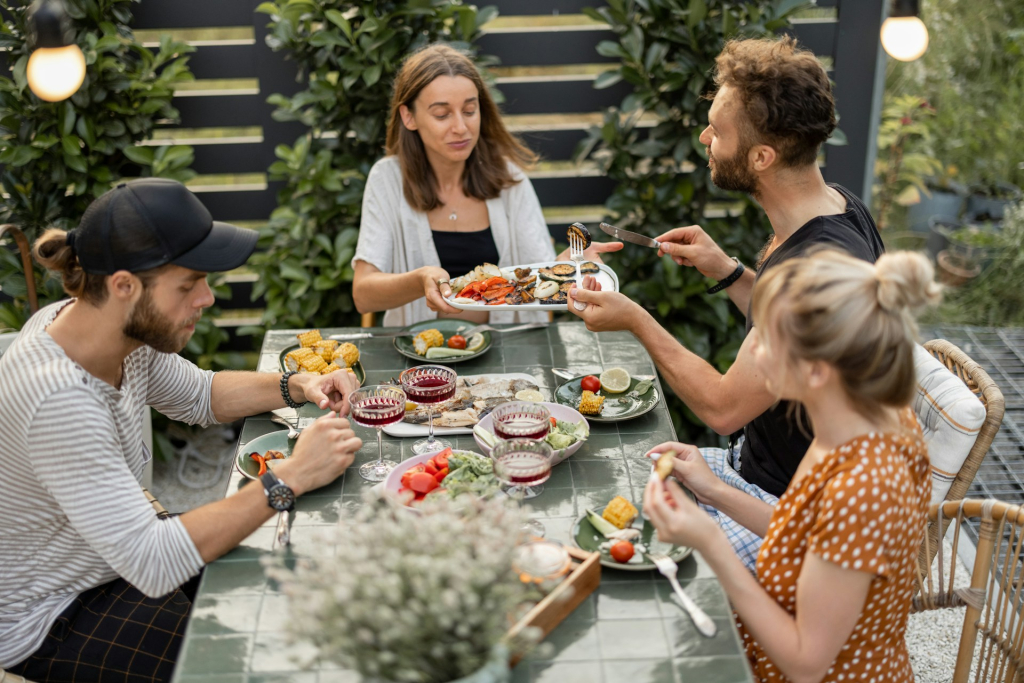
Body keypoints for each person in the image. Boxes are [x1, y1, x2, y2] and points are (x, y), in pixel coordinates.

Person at [0, 179, 363, 682]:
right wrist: (290, 478)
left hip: (118, 556)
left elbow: (201, 396)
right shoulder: (58, 398)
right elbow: (155, 560)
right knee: (258, 661)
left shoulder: (108, 325)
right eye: (189, 283)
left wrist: (299, 383)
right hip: (54, 613)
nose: (208, 298)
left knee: (293, 581)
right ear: (125, 285)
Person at [567, 36, 883, 568]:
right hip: (748, 467)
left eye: (718, 129)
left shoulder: (815, 272)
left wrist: (635, 322)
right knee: (597, 478)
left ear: (762, 156)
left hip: (783, 509)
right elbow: (794, 330)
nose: (704, 136)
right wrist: (731, 272)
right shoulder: (836, 206)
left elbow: (722, 407)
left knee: (620, 566)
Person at [644, 249, 939, 683]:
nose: (751, 348)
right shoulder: (853, 415)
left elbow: (806, 662)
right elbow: (804, 528)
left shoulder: (866, 487)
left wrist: (709, 542)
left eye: (764, 338)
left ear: (816, 370)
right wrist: (715, 492)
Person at [352, 43, 620, 326]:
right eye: (442, 114)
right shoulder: (387, 180)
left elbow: (540, 278)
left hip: (510, 356)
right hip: (420, 360)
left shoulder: (509, 180)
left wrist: (569, 266)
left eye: (469, 110)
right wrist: (420, 281)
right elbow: (363, 295)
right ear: (408, 116)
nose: (460, 127)